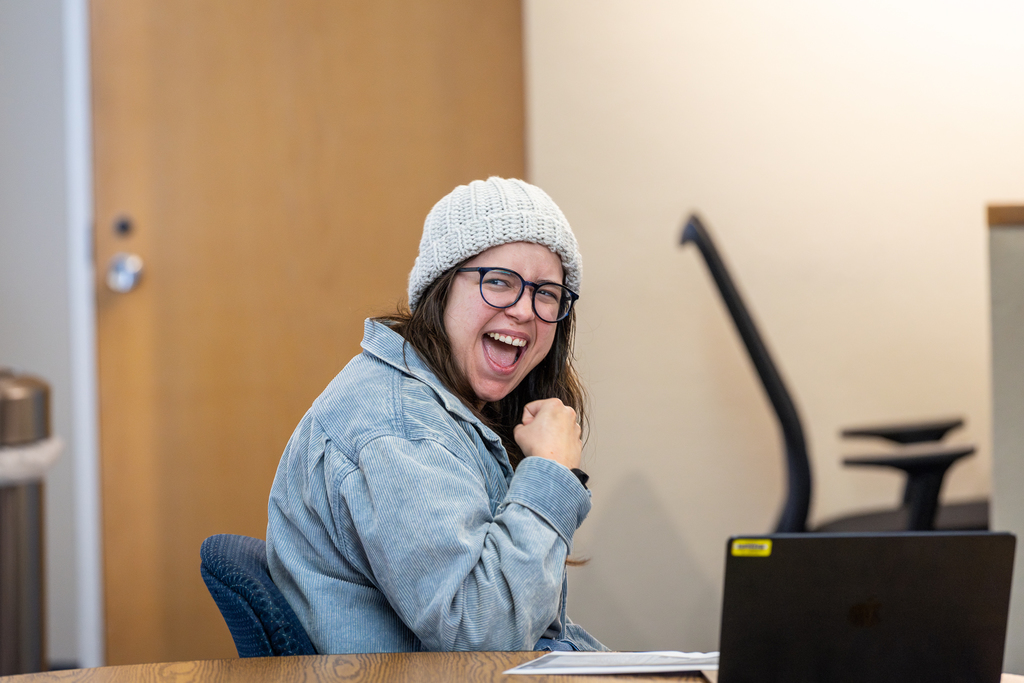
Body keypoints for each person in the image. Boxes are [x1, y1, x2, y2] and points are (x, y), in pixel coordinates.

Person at [267, 177, 607, 654]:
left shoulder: (450, 409)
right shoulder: (398, 428)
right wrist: (549, 472)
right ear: (441, 289)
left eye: (547, 293)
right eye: (500, 283)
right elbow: (484, 636)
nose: (526, 311)